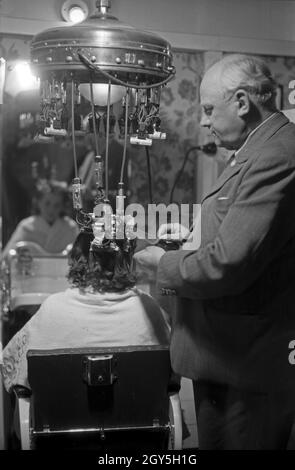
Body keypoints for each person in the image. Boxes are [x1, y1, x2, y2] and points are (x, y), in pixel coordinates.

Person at [135, 54, 295, 449]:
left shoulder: (276, 155)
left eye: (208, 109)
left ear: (242, 102)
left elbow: (230, 262)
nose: (203, 121)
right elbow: (238, 231)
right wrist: (190, 236)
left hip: (245, 366)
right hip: (225, 361)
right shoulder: (256, 148)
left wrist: (164, 263)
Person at [1, 231, 170, 392]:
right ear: (127, 261)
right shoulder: (148, 308)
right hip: (139, 417)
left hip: (63, 417)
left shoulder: (53, 308)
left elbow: (13, 372)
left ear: (76, 259)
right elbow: (171, 375)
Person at [1, 180, 79, 258]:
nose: (51, 209)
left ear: (63, 206)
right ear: (38, 202)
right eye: (47, 203)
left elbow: (79, 255)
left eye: (57, 205)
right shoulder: (26, 226)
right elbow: (7, 256)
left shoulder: (70, 227)